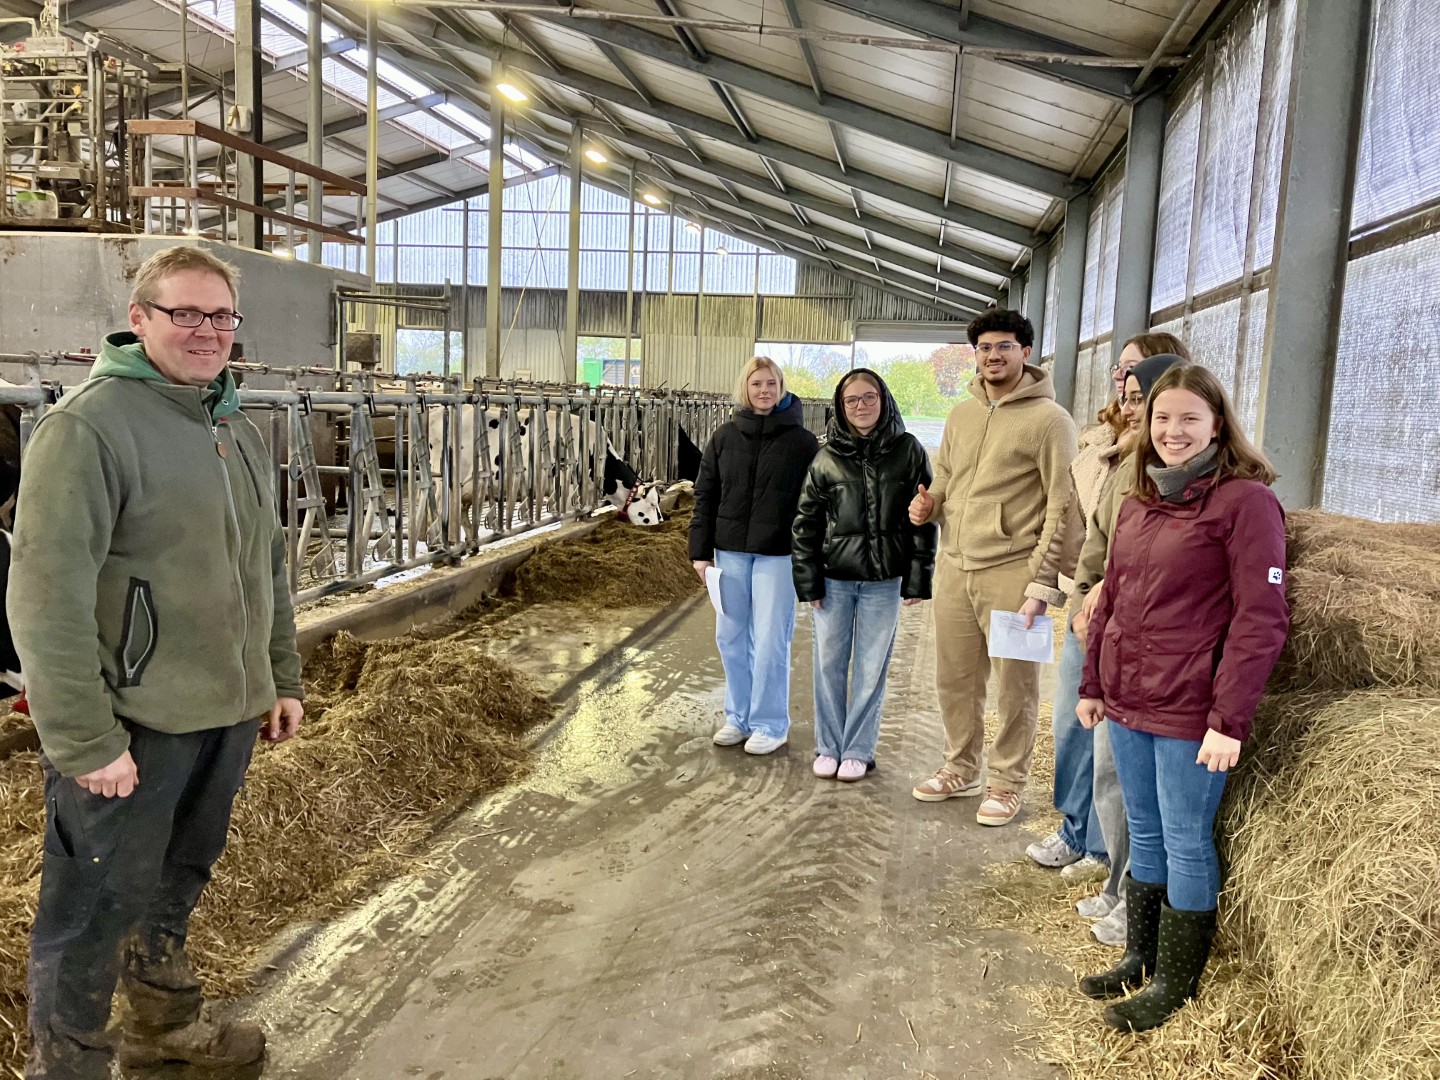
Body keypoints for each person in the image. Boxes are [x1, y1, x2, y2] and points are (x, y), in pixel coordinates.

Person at [9, 246, 305, 1077]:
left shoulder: (231, 426)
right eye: (185, 313)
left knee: (177, 878)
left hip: (223, 711)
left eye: (221, 316)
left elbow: (265, 566)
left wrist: (278, 676)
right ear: (139, 320)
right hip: (132, 726)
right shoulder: (88, 428)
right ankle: (68, 1066)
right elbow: (43, 596)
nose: (206, 332)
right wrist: (83, 738)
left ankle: (163, 1027)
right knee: (93, 905)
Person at [1075, 363, 1289, 1032]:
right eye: (1162, 418)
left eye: (1189, 419)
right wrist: (1093, 683)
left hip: (1192, 708)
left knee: (1187, 840)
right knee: (1146, 832)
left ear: (1217, 426)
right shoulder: (1139, 498)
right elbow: (1110, 598)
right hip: (1132, 700)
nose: (1172, 431)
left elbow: (1261, 617)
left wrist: (1228, 720)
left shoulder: (1245, 503)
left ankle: (1175, 981)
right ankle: (1140, 955)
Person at [1027, 336, 1190, 891]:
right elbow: (1086, 530)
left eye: (1139, 375)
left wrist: (1104, 598)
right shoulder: (1103, 447)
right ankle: (1077, 829)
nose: (1127, 384)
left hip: (1127, 620)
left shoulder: (1170, 461)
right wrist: (1070, 597)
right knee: (1071, 726)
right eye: (1122, 372)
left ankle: (1104, 851)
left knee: (1109, 748)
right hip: (1085, 605)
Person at [908, 309, 1079, 826]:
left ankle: (1006, 782)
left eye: (1004, 346)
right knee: (956, 678)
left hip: (1012, 571)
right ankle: (961, 767)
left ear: (1026, 352)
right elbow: (945, 475)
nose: (993, 356)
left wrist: (1042, 581)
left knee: (1015, 684)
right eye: (984, 348)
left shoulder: (1051, 420)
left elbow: (1063, 506)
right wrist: (930, 503)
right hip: (956, 566)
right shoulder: (961, 414)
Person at [1070, 351, 1189, 947]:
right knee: (1114, 778)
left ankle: (1139, 900)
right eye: (1136, 398)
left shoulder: (1221, 492)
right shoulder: (1129, 471)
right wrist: (1083, 599)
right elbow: (1100, 545)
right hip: (1114, 643)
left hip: (1168, 662)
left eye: (1152, 399)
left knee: (1164, 806)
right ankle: (1122, 888)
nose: (1144, 412)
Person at [791, 369, 937, 781]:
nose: (861, 406)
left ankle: (857, 749)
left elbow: (924, 518)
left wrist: (918, 576)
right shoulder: (825, 458)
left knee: (872, 667)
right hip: (833, 578)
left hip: (883, 581)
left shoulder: (908, 451)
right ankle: (828, 746)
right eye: (852, 400)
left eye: (868, 397)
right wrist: (807, 580)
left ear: (884, 399)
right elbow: (805, 523)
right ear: (840, 406)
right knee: (828, 664)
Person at [690, 356, 819, 755]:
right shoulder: (724, 437)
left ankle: (770, 723)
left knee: (770, 640)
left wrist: (809, 554)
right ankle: (738, 717)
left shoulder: (802, 442)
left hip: (777, 556)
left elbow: (813, 504)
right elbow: (705, 494)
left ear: (782, 388)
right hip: (729, 551)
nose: (764, 391)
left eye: (771, 384)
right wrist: (700, 552)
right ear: (744, 388)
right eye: (756, 384)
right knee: (729, 635)